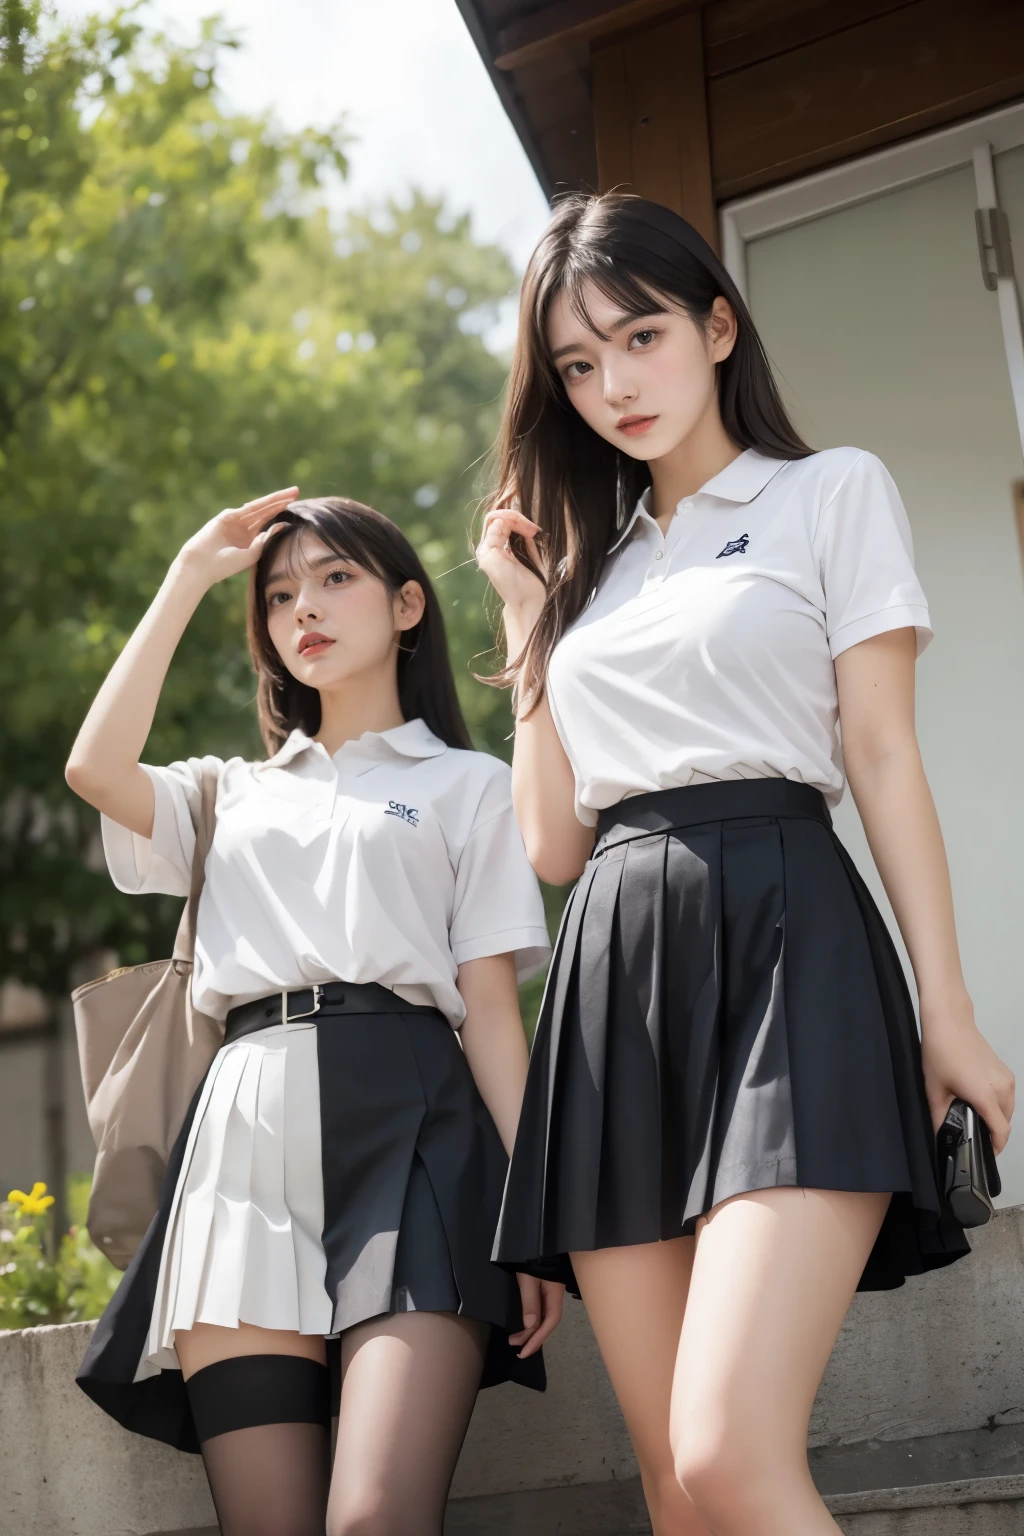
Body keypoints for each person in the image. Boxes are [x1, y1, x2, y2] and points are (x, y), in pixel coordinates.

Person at [475, 193, 1015, 1536]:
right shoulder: (587, 578)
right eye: (578, 367)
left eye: (639, 337)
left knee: (726, 1459)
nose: (613, 386)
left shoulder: (829, 492)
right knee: (674, 1490)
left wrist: (946, 1013)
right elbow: (551, 842)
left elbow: (883, 758)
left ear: (718, 325)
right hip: (615, 977)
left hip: (788, 943)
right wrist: (532, 626)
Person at [68, 490, 562, 1536]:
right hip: (242, 1147)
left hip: (420, 1135)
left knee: (373, 1520)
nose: (305, 610)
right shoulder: (226, 794)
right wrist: (189, 574)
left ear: (408, 606)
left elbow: (490, 1015)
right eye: (281, 595)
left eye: (337, 579)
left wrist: (535, 1223)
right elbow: (94, 768)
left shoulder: (470, 786)